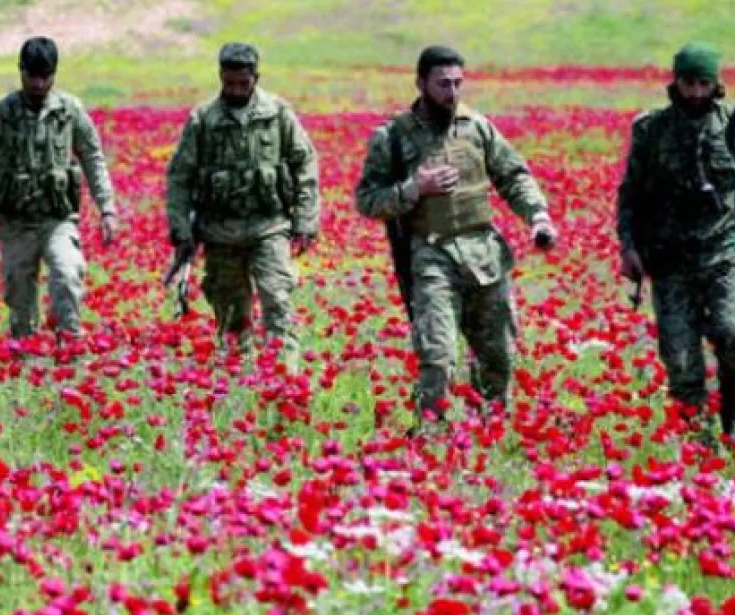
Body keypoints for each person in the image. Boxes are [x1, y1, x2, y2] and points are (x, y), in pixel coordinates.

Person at [355, 45, 557, 433]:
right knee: (438, 355)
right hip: (431, 256)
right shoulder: (393, 137)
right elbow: (368, 201)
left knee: (497, 356)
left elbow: (514, 176)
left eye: (457, 83)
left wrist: (538, 217)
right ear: (420, 83)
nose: (452, 93)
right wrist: (415, 187)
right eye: (442, 84)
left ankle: (488, 433)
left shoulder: (477, 128)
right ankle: (433, 438)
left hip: (484, 255)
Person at [616, 41, 735, 444]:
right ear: (674, 83)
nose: (695, 92)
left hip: (724, 253)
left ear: (717, 85)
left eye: (703, 83)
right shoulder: (650, 130)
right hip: (670, 259)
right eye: (688, 83)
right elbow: (632, 195)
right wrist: (629, 247)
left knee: (733, 334)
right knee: (680, 360)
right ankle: (698, 440)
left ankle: (732, 410)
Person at [165, 42, 319, 361]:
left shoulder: (277, 115)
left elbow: (305, 165)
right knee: (232, 315)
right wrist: (181, 231)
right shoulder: (203, 120)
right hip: (220, 232)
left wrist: (305, 221)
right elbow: (179, 177)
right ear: (220, 76)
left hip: (269, 226)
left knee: (277, 302)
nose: (236, 90)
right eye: (229, 82)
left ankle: (283, 382)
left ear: (256, 78)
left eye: (243, 83)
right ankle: (238, 386)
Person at [0, 36, 121, 340]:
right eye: (31, 76)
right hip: (15, 221)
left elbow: (93, 158)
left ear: (54, 75)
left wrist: (107, 209)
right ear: (20, 71)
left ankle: (70, 345)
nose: (37, 84)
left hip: (56, 219)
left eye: (44, 77)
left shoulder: (69, 111)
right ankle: (25, 354)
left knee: (67, 272)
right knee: (20, 294)